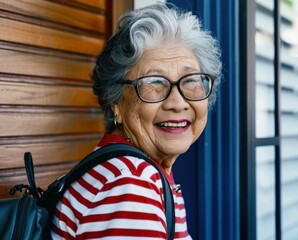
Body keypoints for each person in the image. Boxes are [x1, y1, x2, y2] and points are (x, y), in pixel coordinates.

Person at [51, 2, 221, 239]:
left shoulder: (133, 172)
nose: (177, 102)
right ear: (115, 103)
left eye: (191, 80)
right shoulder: (129, 185)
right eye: (153, 82)